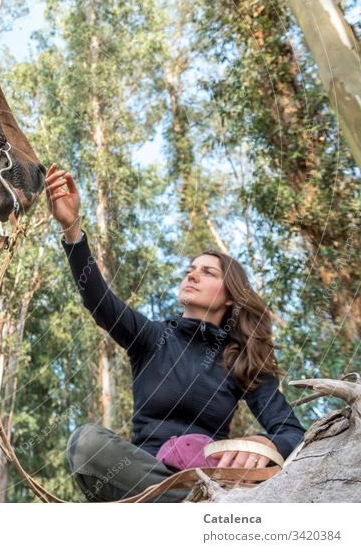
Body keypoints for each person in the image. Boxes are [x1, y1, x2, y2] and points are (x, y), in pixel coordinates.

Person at [44, 163, 306, 503]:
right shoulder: (152, 338)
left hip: (208, 482)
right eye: (190, 270)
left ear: (229, 297)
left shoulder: (240, 360)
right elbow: (100, 301)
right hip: (143, 478)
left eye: (208, 272)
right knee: (87, 443)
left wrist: (266, 443)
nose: (193, 275)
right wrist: (72, 229)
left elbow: (292, 432)